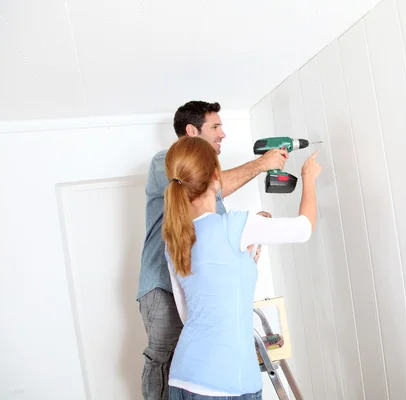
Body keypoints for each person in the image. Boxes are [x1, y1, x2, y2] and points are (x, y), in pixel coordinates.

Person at [137, 101, 288, 400]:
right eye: (215, 127)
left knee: (196, 367)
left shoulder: (209, 188)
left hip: (195, 287)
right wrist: (261, 164)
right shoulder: (165, 161)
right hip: (164, 286)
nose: (223, 134)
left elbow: (212, 237)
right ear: (192, 131)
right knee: (164, 360)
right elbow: (210, 186)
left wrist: (249, 233)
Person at [162, 136, 321, 400]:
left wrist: (240, 265)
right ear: (216, 176)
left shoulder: (175, 240)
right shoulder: (234, 225)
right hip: (227, 385)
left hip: (182, 378)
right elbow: (303, 229)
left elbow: (189, 313)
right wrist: (309, 178)